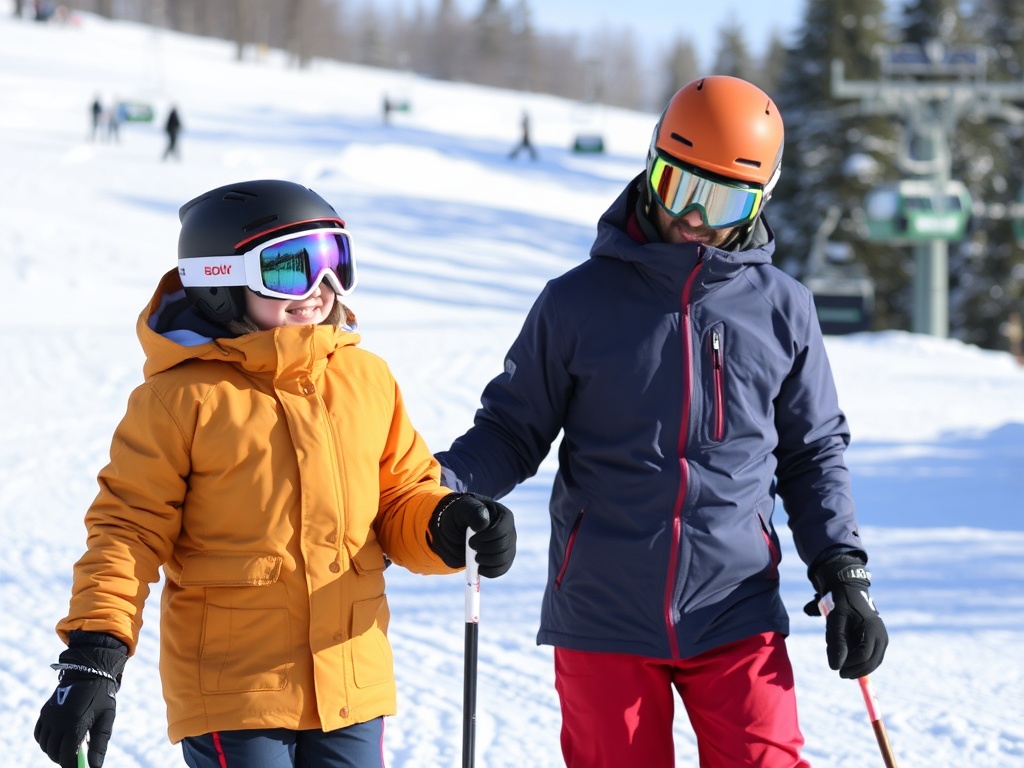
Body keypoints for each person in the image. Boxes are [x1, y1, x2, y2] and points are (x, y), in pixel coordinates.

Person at [436, 75, 888, 768]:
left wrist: (841, 569)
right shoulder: (576, 303)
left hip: (734, 609)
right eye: (681, 188)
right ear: (652, 167)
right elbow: (511, 428)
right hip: (602, 612)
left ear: (759, 203)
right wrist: (443, 487)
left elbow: (811, 453)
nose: (696, 221)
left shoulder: (782, 307)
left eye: (724, 201)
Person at [33, 179, 517, 768]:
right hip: (236, 690)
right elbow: (128, 531)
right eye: (289, 270)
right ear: (221, 281)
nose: (319, 291)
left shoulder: (367, 379)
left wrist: (444, 521)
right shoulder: (182, 399)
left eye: (335, 264)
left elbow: (400, 498)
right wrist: (95, 651)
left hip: (350, 678)